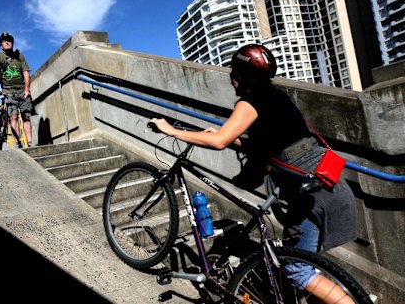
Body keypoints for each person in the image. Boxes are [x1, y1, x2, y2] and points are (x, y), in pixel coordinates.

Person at [151, 44, 358, 304]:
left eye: (232, 77)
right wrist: (225, 138)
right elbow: (273, 143)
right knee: (298, 259)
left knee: (298, 270)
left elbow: (219, 142)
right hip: (327, 179)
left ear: (239, 78)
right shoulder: (278, 97)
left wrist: (171, 130)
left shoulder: (250, 102)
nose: (232, 83)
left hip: (310, 192)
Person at [0, 32, 33, 147]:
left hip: (22, 90)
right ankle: (18, 142)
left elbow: (26, 72)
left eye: (9, 40)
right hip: (9, 92)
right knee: (14, 117)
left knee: (26, 117)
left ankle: (30, 143)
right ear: (1, 46)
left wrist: (27, 89)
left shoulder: (19, 56)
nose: (7, 42)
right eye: (4, 42)